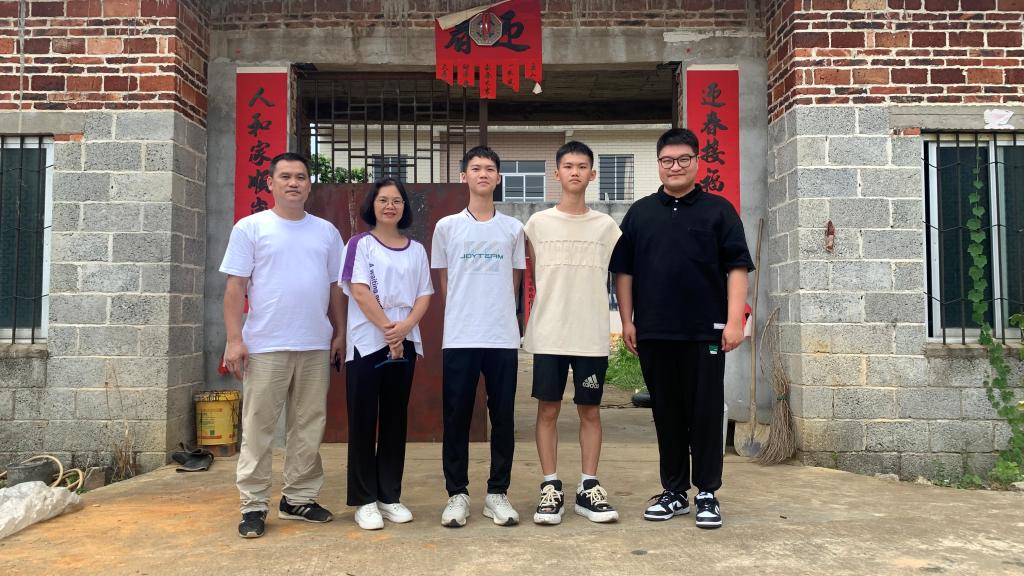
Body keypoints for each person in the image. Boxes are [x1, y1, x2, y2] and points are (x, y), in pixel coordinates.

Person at [609, 128, 753, 530]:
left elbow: (737, 268)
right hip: (655, 332)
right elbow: (624, 271)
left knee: (705, 412)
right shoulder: (640, 213)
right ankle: (673, 491)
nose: (675, 167)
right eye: (667, 160)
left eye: (683, 159)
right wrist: (627, 321)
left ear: (697, 162)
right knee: (667, 413)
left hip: (706, 333)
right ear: (658, 165)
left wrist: (735, 321)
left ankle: (706, 492)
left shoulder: (719, 211)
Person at [221, 152, 346, 539]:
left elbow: (335, 288)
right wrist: (234, 339)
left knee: (308, 424)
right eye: (286, 176)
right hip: (265, 344)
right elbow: (235, 287)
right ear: (271, 183)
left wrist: (340, 332)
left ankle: (299, 498)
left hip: (314, 343)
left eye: (301, 177)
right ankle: (253, 505)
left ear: (310, 185)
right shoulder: (251, 228)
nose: (294, 183)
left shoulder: (326, 232)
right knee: (258, 427)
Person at [522, 141, 622, 525]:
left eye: (582, 166)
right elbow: (531, 274)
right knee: (547, 409)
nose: (575, 171)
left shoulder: (606, 227)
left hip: (590, 334)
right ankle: (550, 487)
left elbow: (620, 276)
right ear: (557, 173)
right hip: (549, 332)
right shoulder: (537, 224)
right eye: (568, 166)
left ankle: (588, 487)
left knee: (590, 410)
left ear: (592, 174)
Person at [432, 146, 526, 528]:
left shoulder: (513, 228)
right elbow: (445, 283)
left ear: (498, 178)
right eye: (475, 168)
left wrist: (495, 312)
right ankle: (457, 494)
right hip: (460, 336)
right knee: (456, 416)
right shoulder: (447, 227)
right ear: (464, 176)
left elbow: (514, 283)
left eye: (489, 169)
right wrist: (465, 313)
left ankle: (497, 493)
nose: (483, 174)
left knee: (502, 417)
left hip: (501, 336)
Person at [339, 178, 433, 530]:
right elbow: (360, 291)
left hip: (404, 339)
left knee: (395, 418)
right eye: (383, 200)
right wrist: (388, 329)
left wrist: (403, 328)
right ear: (372, 205)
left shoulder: (416, 249)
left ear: (404, 207)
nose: (390, 206)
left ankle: (389, 495)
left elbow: (424, 294)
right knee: (364, 418)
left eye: (396, 200)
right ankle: (364, 500)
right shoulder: (360, 245)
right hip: (367, 341)